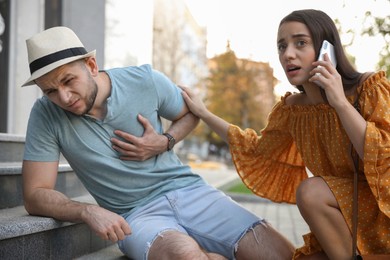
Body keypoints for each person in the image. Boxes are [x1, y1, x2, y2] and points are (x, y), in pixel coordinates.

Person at [21, 26, 294, 260]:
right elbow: (35, 194)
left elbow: (189, 113)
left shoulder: (144, 80)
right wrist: (87, 210)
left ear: (91, 65)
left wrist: (165, 141)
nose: (65, 97)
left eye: (69, 81)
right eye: (51, 90)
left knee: (281, 254)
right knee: (184, 255)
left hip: (192, 192)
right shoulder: (46, 114)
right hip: (138, 216)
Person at [180, 9, 390, 260]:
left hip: (381, 211)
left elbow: (382, 157)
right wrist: (204, 113)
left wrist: (340, 103)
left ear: (327, 49)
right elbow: (254, 148)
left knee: (310, 191)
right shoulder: (292, 111)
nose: (288, 54)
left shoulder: (368, 88)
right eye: (282, 46)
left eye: (300, 42)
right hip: (343, 220)